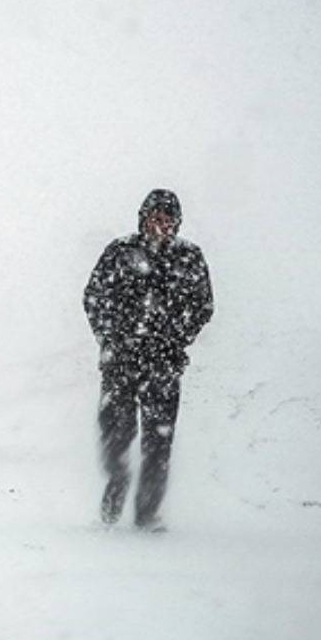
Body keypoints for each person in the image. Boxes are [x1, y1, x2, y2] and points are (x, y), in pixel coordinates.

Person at [83, 189, 214, 530]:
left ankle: (147, 514)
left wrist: (175, 340)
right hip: (120, 363)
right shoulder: (120, 253)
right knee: (115, 435)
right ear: (143, 219)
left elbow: (203, 306)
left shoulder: (189, 258)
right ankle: (115, 493)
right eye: (156, 218)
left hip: (164, 365)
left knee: (158, 443)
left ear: (177, 223)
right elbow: (95, 297)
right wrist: (110, 338)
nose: (162, 225)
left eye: (169, 220)